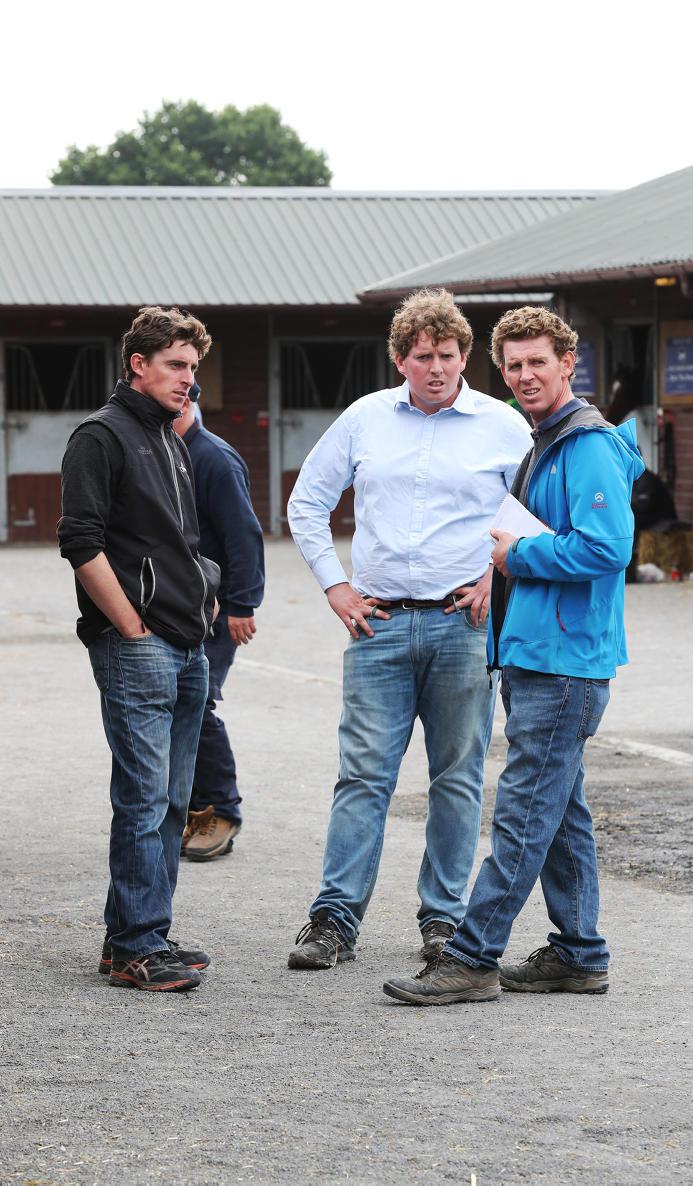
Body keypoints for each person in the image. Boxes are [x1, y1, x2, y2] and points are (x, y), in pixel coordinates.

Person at [383, 304, 645, 1005]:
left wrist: (519, 554)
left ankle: (472, 957)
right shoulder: (545, 441)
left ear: (568, 364)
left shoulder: (586, 446)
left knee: (524, 813)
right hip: (538, 656)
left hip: (564, 664)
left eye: (538, 362)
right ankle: (579, 954)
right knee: (560, 816)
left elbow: (607, 548)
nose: (526, 375)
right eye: (514, 365)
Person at [286, 288, 532, 970]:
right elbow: (307, 502)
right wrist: (334, 585)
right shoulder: (365, 419)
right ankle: (334, 920)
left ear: (464, 356)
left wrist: (496, 578)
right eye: (422, 356)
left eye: (447, 355)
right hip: (380, 625)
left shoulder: (502, 425)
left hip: (463, 625)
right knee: (363, 776)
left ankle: (444, 921)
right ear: (400, 359)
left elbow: (536, 510)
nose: (436, 368)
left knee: (457, 778)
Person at [58, 306, 220, 993]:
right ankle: (136, 949)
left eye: (194, 368)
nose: (188, 379)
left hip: (187, 643)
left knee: (173, 803)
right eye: (176, 365)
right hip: (139, 647)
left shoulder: (168, 436)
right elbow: (80, 541)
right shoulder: (100, 436)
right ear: (138, 364)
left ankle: (135, 931)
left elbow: (181, 542)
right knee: (144, 800)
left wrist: (206, 593)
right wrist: (130, 626)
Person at [173, 384, 265, 860]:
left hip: (216, 608)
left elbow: (243, 535)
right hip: (176, 605)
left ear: (187, 404)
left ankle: (221, 812)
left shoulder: (213, 458)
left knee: (198, 702)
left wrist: (241, 605)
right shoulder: (165, 451)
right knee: (175, 706)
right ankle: (188, 811)